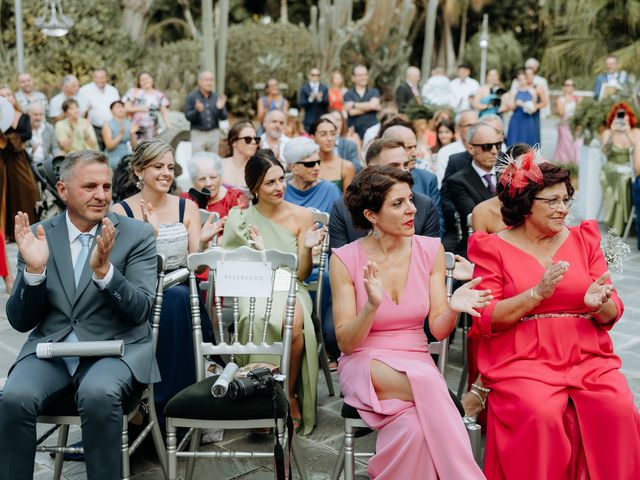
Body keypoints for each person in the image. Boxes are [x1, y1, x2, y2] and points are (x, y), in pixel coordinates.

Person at [468, 158, 640, 480]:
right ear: (525, 203)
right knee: (540, 414)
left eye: (566, 199)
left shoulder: (583, 238)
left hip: (587, 355)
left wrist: (596, 304)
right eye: (552, 201)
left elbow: (612, 309)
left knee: (619, 409)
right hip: (522, 359)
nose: (563, 208)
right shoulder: (492, 247)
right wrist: (535, 294)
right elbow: (486, 317)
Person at [0, 150, 159, 479]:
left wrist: (105, 274)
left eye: (106, 186)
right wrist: (34, 270)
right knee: (13, 397)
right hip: (52, 352)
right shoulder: (40, 235)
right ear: (62, 190)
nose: (101, 195)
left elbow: (140, 310)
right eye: (89, 187)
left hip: (115, 349)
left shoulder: (136, 235)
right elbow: (19, 320)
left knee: (97, 394)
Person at [330, 165, 487, 479]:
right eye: (398, 204)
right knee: (431, 384)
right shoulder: (345, 259)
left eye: (410, 200)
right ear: (371, 215)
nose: (412, 209)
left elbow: (438, 329)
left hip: (415, 359)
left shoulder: (431, 250)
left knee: (415, 430)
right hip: (366, 361)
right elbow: (345, 343)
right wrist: (371, 306)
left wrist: (454, 308)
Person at [111, 139, 223, 421]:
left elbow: (194, 265)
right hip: (138, 292)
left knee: (177, 298)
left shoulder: (187, 208)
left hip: (180, 288)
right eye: (157, 166)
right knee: (165, 301)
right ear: (138, 171)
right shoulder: (120, 212)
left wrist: (203, 243)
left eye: (170, 167)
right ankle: (147, 403)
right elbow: (119, 269)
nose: (166, 173)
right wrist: (149, 238)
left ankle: (169, 405)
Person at [221, 149, 325, 433]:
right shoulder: (242, 218)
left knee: (289, 323)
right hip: (254, 284)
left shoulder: (302, 216)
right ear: (255, 187)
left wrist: (306, 247)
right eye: (270, 182)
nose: (279, 187)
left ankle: (287, 394)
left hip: (290, 283)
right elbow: (235, 269)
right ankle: (257, 393)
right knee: (252, 317)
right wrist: (256, 254)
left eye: (281, 179)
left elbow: (301, 274)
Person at [445, 122, 501, 254]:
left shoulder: (508, 172)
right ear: (471, 149)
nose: (494, 151)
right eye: (487, 146)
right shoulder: (458, 181)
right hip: (479, 247)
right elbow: (475, 218)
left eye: (497, 145)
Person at [0, 86, 37, 242]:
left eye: (9, 94)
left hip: (20, 159)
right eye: (3, 95)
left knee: (27, 190)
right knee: (6, 194)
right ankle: (7, 232)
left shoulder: (23, 116)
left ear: (13, 96)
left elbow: (28, 134)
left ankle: (28, 229)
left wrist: (14, 138)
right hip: (3, 160)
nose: (7, 97)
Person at [600, 102, 640, 234]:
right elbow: (605, 151)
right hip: (611, 167)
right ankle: (620, 224)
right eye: (619, 116)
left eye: (625, 115)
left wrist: (627, 132)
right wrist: (612, 133)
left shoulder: (635, 132)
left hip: (629, 167)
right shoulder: (608, 132)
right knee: (623, 180)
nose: (622, 119)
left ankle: (627, 221)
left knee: (627, 178)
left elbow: (636, 148)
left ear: (630, 117)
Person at [282, 136, 341, 213]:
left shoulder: (330, 190)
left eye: (318, 162)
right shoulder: (281, 190)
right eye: (310, 164)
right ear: (294, 167)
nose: (317, 168)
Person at [182, 150, 248, 217]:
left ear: (220, 177)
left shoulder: (235, 198)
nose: (208, 184)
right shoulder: (185, 200)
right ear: (193, 182)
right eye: (202, 179)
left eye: (213, 177)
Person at [184, 70, 227, 154]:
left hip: (214, 133)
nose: (209, 82)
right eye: (206, 80)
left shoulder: (216, 97)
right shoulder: (191, 97)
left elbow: (224, 117)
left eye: (211, 80)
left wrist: (220, 108)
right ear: (200, 82)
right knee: (197, 162)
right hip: (198, 134)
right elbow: (188, 117)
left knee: (213, 161)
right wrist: (196, 111)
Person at [79, 68, 121, 149]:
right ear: (93, 78)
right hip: (94, 128)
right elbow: (81, 113)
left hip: (111, 127)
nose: (99, 80)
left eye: (102, 77)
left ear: (107, 78)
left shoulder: (113, 90)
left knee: (112, 150)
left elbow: (118, 108)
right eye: (97, 77)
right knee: (96, 152)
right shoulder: (84, 90)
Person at [123, 72, 172, 140]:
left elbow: (164, 111)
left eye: (147, 78)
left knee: (153, 148)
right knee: (139, 149)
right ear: (139, 82)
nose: (145, 81)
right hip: (136, 128)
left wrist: (168, 125)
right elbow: (126, 108)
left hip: (153, 129)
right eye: (142, 79)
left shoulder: (159, 95)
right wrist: (140, 109)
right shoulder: (134, 92)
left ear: (152, 79)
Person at [311, 118, 356, 193]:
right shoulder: (308, 166)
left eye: (333, 134)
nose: (329, 138)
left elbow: (348, 200)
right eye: (323, 134)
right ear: (313, 137)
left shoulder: (346, 166)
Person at [436, 109, 479, 185]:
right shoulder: (445, 153)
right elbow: (443, 185)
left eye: (477, 125)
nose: (474, 129)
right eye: (469, 125)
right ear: (458, 128)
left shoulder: (489, 149)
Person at [506, 68, 547, 147]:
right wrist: (516, 103)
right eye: (526, 75)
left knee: (530, 140)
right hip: (517, 118)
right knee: (515, 141)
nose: (528, 77)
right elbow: (511, 106)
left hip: (530, 117)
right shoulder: (515, 90)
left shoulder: (535, 89)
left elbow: (542, 103)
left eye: (530, 74)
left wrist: (532, 107)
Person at [221, 120, 259, 199]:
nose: (253, 142)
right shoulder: (219, 165)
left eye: (256, 139)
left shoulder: (259, 169)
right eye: (247, 139)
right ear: (234, 142)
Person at [344, 65, 381, 140]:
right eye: (360, 75)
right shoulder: (348, 94)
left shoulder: (374, 92)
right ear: (353, 78)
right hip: (355, 133)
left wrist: (353, 104)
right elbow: (351, 112)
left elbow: (373, 105)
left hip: (373, 132)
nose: (363, 77)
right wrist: (371, 107)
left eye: (365, 75)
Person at [102, 100, 138, 169]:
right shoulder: (107, 124)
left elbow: (135, 147)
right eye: (117, 107)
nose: (121, 109)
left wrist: (133, 134)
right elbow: (109, 145)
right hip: (112, 156)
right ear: (111, 111)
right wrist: (121, 134)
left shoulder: (129, 123)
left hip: (127, 155)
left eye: (122, 107)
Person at [553, 78, 582, 164]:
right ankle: (565, 164)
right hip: (564, 125)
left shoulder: (577, 99)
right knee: (564, 146)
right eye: (567, 85)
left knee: (577, 144)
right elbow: (561, 113)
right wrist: (565, 101)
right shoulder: (560, 99)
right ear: (563, 87)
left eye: (571, 85)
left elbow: (579, 111)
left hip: (575, 124)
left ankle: (576, 164)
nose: (569, 87)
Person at [299, 68, 329, 133]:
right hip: (308, 120)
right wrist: (310, 99)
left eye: (317, 75)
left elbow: (327, 103)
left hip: (321, 119)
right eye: (313, 75)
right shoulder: (304, 88)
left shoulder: (324, 88)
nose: (315, 77)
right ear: (309, 76)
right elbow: (301, 103)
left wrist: (320, 99)